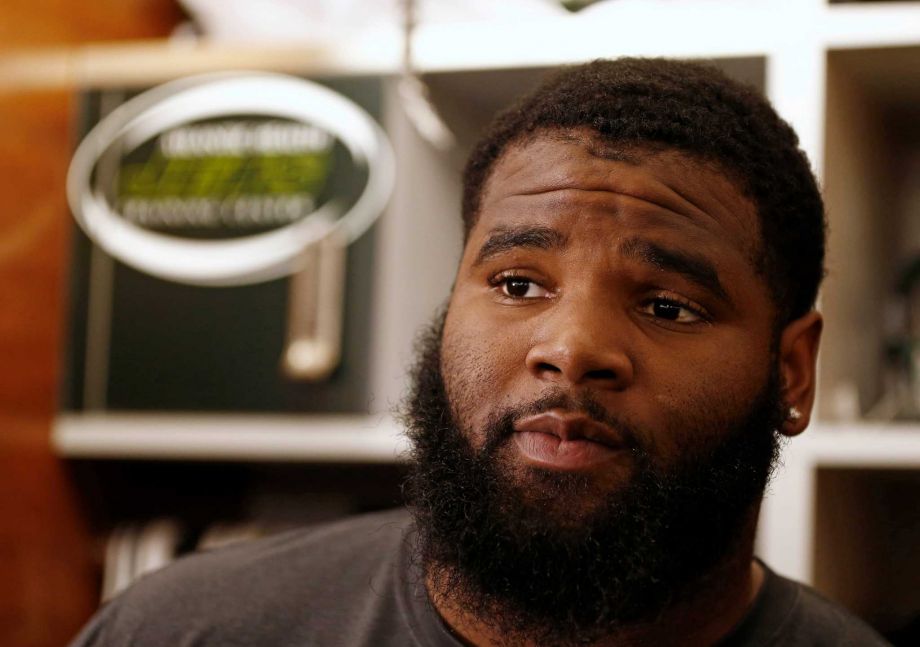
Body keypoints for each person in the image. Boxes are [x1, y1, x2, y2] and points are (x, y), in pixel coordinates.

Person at [70, 58, 889, 646]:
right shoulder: (183, 629)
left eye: (668, 305)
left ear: (792, 374)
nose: (569, 349)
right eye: (518, 284)